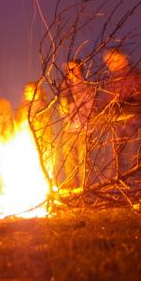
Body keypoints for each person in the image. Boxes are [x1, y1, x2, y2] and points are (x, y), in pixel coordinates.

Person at [100, 49, 141, 179]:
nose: (110, 64)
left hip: (131, 122)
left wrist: (119, 109)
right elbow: (105, 101)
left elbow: (138, 100)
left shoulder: (133, 75)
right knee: (114, 160)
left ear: (123, 58)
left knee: (132, 158)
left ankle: (134, 189)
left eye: (113, 60)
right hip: (115, 124)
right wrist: (104, 113)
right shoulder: (111, 80)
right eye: (108, 62)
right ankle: (114, 188)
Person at [57, 60, 96, 189]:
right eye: (68, 69)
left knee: (83, 158)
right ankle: (70, 183)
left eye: (73, 68)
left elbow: (89, 108)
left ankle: (85, 186)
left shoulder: (86, 87)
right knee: (68, 156)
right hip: (68, 128)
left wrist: (81, 122)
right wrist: (64, 113)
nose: (70, 72)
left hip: (83, 129)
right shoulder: (64, 87)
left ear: (80, 69)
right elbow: (62, 107)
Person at [15, 81, 55, 180]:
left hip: (41, 140)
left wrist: (33, 121)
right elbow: (17, 122)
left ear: (37, 91)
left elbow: (45, 121)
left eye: (30, 90)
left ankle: (47, 183)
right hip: (27, 140)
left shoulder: (44, 105)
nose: (26, 93)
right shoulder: (22, 107)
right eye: (26, 91)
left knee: (44, 163)